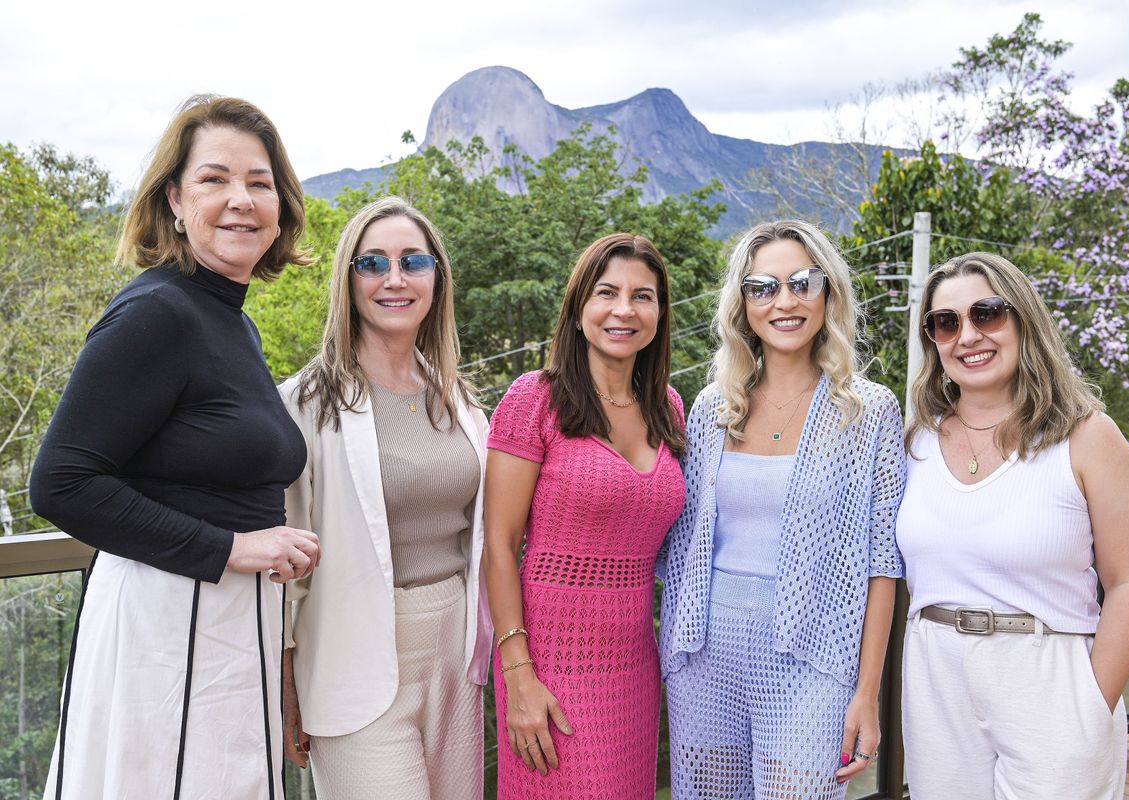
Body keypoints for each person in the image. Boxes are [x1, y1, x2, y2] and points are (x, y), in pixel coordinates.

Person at [30, 95, 319, 800]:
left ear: (280, 204)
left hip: (226, 629)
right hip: (165, 633)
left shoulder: (233, 323)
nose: (241, 199)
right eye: (214, 179)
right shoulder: (156, 311)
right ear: (174, 200)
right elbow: (61, 482)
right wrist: (231, 547)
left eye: (259, 182)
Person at [897, 252, 1129, 799]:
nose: (968, 336)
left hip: (1049, 682)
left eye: (987, 313)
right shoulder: (915, 441)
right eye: (946, 322)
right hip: (934, 680)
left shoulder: (1086, 436)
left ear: (1023, 320)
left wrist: (1092, 703)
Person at [658, 219, 905, 799]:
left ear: (828, 292)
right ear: (743, 305)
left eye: (802, 282)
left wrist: (867, 692)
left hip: (815, 658)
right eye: (763, 287)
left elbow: (882, 563)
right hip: (706, 656)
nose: (785, 301)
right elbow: (679, 539)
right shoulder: (714, 408)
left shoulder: (868, 412)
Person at [278, 197, 491, 799]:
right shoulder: (305, 404)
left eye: (412, 261)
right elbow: (283, 569)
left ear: (436, 278)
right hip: (351, 659)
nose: (394, 279)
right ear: (348, 282)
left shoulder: (458, 400)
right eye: (372, 263)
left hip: (454, 658)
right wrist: (285, 686)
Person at [484, 233, 686, 798]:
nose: (625, 310)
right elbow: (499, 545)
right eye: (607, 293)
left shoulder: (668, 408)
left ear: (659, 315)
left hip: (635, 666)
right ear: (578, 310)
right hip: (550, 664)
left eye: (642, 296)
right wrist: (518, 673)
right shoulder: (534, 400)